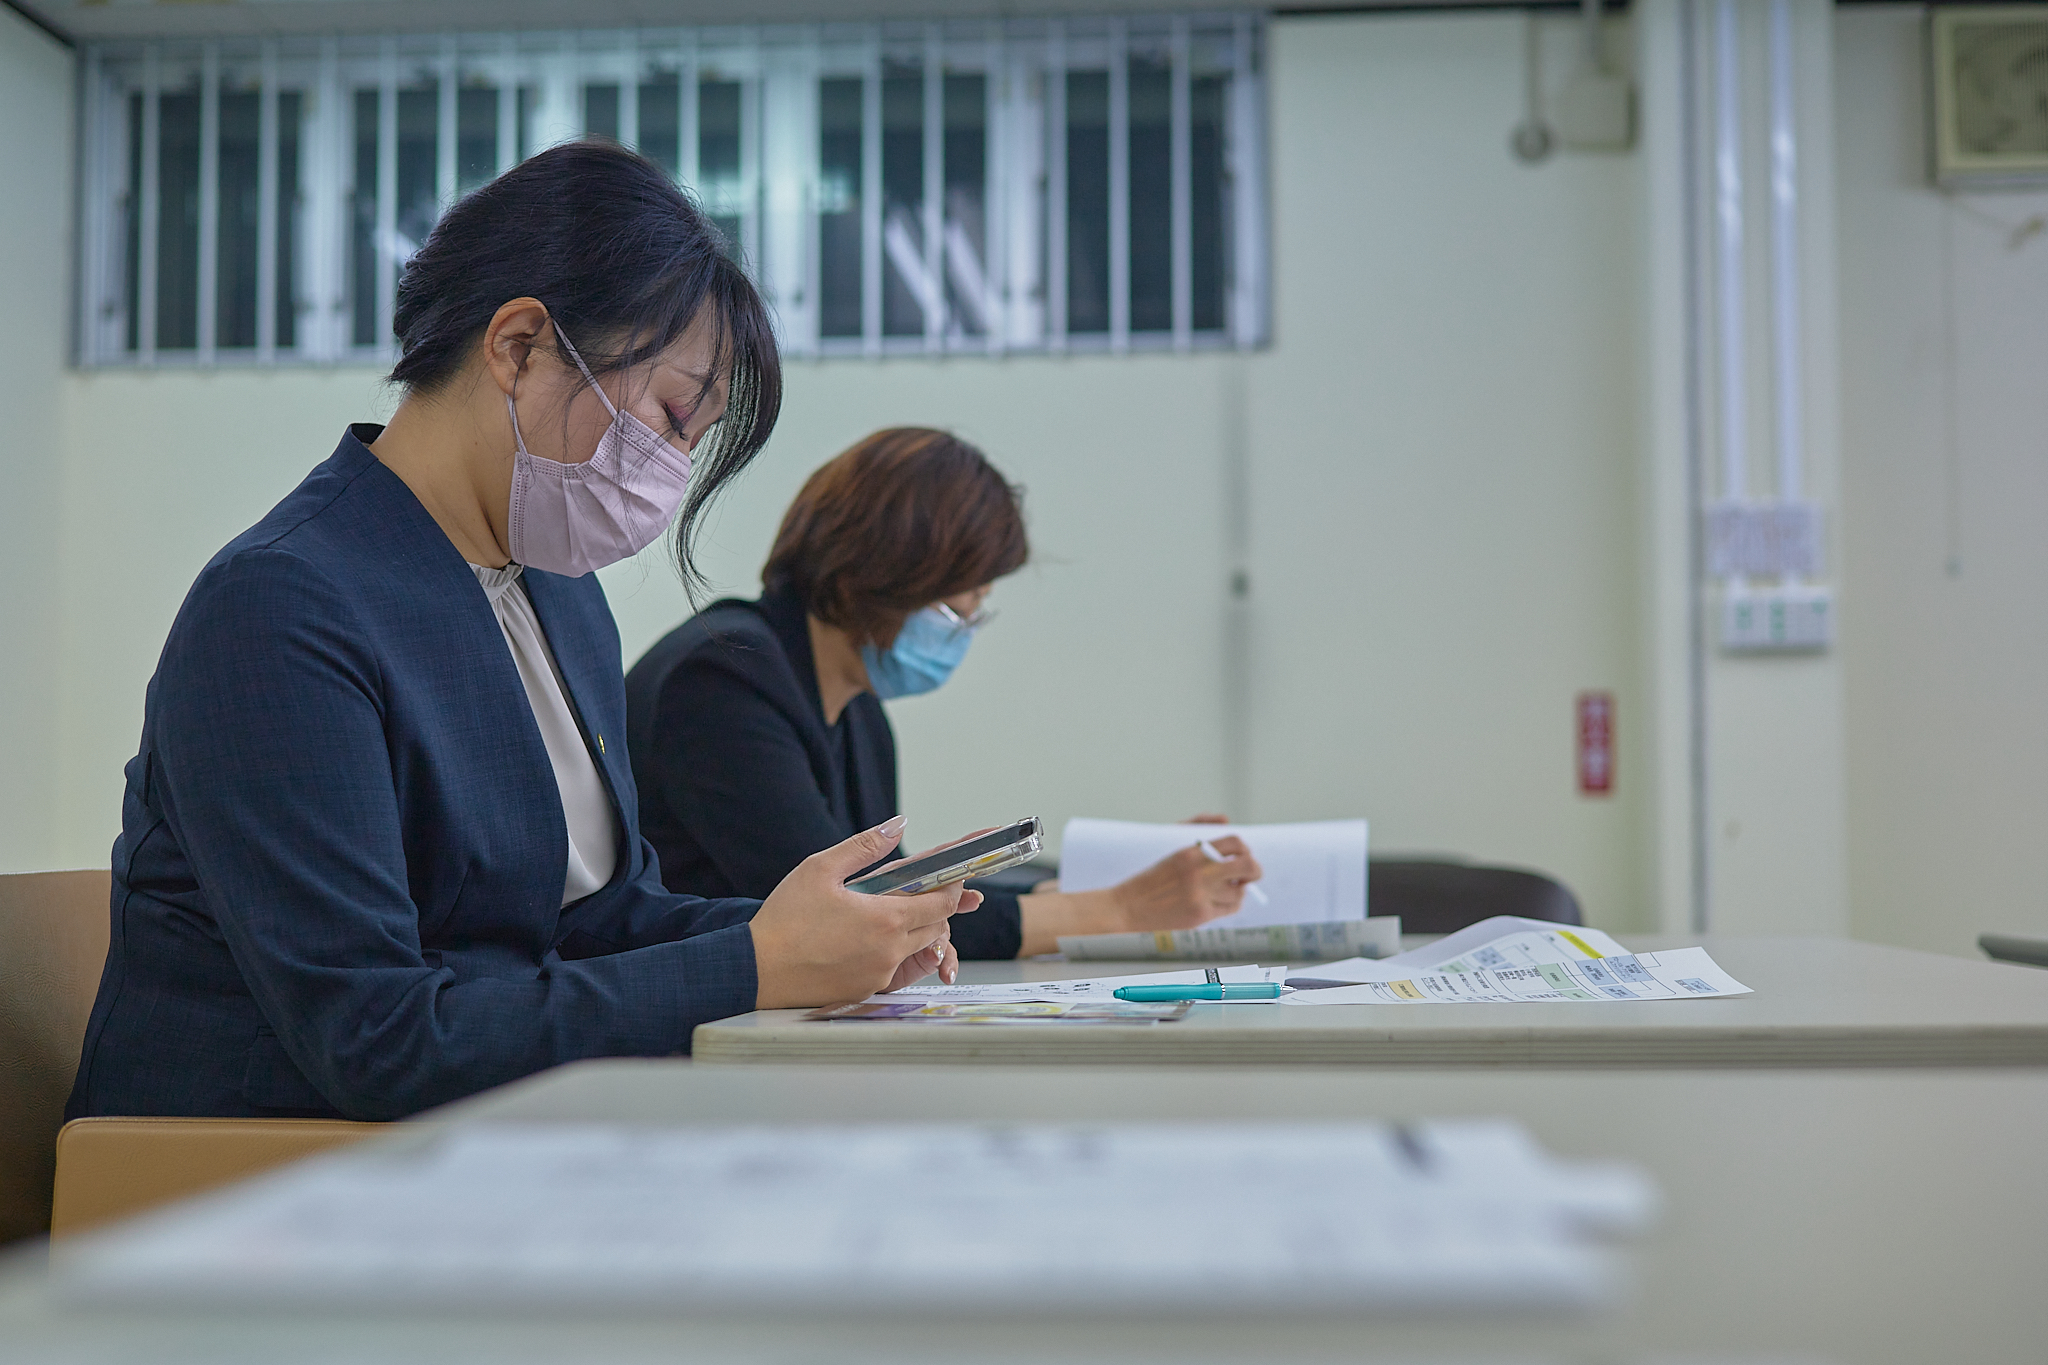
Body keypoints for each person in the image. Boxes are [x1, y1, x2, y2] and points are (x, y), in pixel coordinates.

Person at [66, 144, 974, 1125]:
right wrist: (757, 963)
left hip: (479, 1125)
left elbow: (600, 916)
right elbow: (377, 1038)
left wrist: (829, 933)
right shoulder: (281, 607)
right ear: (519, 346)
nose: (672, 470)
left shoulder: (558, 598)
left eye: (693, 441)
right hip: (247, 1160)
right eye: (673, 416)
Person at [624, 428, 1262, 959]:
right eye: (963, 603)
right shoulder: (724, 680)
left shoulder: (854, 706)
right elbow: (863, 914)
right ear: (883, 571)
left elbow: (907, 891)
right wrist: (1120, 908)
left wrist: (1112, 883)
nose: (969, 625)